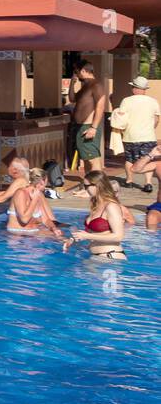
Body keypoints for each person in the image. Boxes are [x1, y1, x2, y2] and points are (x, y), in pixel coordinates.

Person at [62, 171, 128, 260]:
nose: (85, 189)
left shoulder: (111, 206)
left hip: (110, 257)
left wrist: (87, 236)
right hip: (97, 257)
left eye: (86, 186)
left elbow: (118, 236)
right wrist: (72, 240)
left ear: (97, 185)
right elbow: (91, 232)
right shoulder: (96, 205)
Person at [67, 59, 108, 195]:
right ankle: (88, 188)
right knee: (86, 160)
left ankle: (98, 189)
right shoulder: (86, 85)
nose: (76, 74)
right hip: (80, 127)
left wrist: (94, 127)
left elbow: (101, 105)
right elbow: (72, 98)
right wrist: (72, 83)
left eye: (77, 72)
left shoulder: (96, 85)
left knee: (93, 160)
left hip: (88, 127)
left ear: (84, 71)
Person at [116, 75, 159, 191]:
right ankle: (148, 183)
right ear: (145, 89)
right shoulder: (153, 101)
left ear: (135, 88)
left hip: (130, 136)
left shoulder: (126, 101)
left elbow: (121, 118)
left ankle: (129, 180)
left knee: (129, 159)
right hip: (148, 136)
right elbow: (156, 119)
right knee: (148, 158)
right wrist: (150, 128)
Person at [6, 167, 62, 236]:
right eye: (46, 184)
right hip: (17, 234)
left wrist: (54, 228)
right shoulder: (20, 193)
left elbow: (45, 219)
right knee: (60, 239)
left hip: (33, 232)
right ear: (41, 182)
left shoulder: (38, 194)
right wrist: (34, 200)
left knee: (60, 236)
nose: (46, 187)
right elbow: (24, 219)